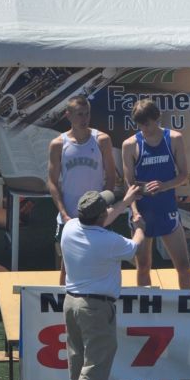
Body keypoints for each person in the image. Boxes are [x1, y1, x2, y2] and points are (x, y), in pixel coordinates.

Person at [55, 186, 145, 380]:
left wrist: (125, 202)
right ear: (99, 216)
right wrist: (139, 226)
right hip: (95, 309)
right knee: (95, 367)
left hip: (71, 303)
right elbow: (135, 247)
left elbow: (103, 217)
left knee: (79, 364)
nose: (109, 210)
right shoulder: (109, 241)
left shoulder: (70, 227)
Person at [122, 99, 190, 289]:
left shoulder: (174, 138)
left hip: (166, 209)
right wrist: (135, 212)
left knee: (183, 266)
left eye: (147, 123)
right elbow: (129, 184)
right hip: (142, 211)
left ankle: (188, 307)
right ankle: (146, 313)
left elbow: (184, 175)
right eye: (140, 124)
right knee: (143, 266)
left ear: (157, 118)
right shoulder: (130, 144)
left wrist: (165, 185)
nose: (144, 128)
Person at [47, 95, 116, 285]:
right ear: (68, 115)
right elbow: (52, 182)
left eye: (87, 114)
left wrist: (104, 205)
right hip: (69, 215)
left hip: (97, 214)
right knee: (64, 266)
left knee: (102, 262)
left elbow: (111, 177)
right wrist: (63, 213)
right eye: (79, 114)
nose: (84, 119)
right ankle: (62, 304)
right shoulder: (58, 144)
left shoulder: (102, 140)